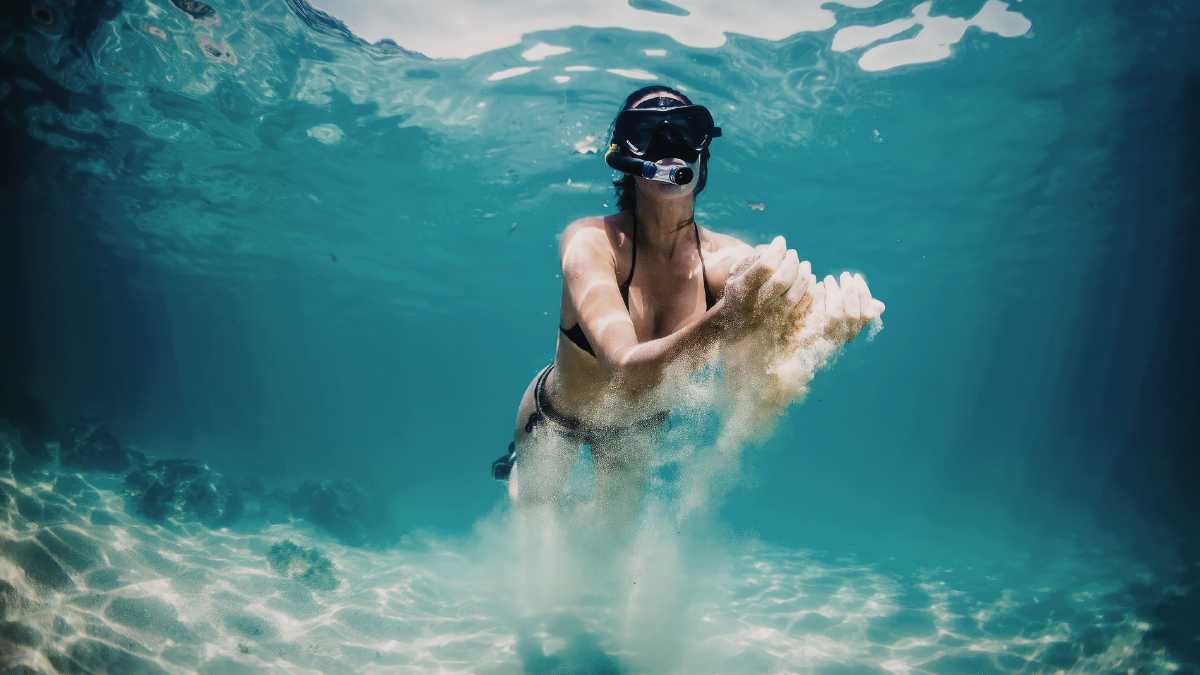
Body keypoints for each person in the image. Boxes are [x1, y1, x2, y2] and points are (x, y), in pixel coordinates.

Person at [491, 85, 883, 511]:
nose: (668, 148)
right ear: (624, 155)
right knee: (537, 534)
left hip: (635, 430)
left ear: (703, 151)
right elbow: (626, 370)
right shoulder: (590, 242)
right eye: (647, 133)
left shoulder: (730, 260)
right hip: (556, 417)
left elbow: (755, 381)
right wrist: (727, 317)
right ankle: (515, 469)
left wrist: (823, 332)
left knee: (609, 552)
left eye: (685, 130)